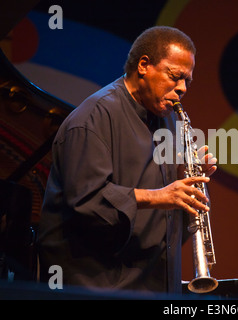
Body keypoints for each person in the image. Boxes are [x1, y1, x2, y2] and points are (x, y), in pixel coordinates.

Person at [37, 26, 217, 294]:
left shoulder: (168, 118)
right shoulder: (93, 118)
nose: (181, 89)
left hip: (155, 283)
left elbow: (165, 205)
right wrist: (159, 196)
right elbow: (85, 202)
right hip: (99, 286)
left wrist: (185, 178)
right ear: (144, 65)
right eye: (175, 76)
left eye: (187, 81)